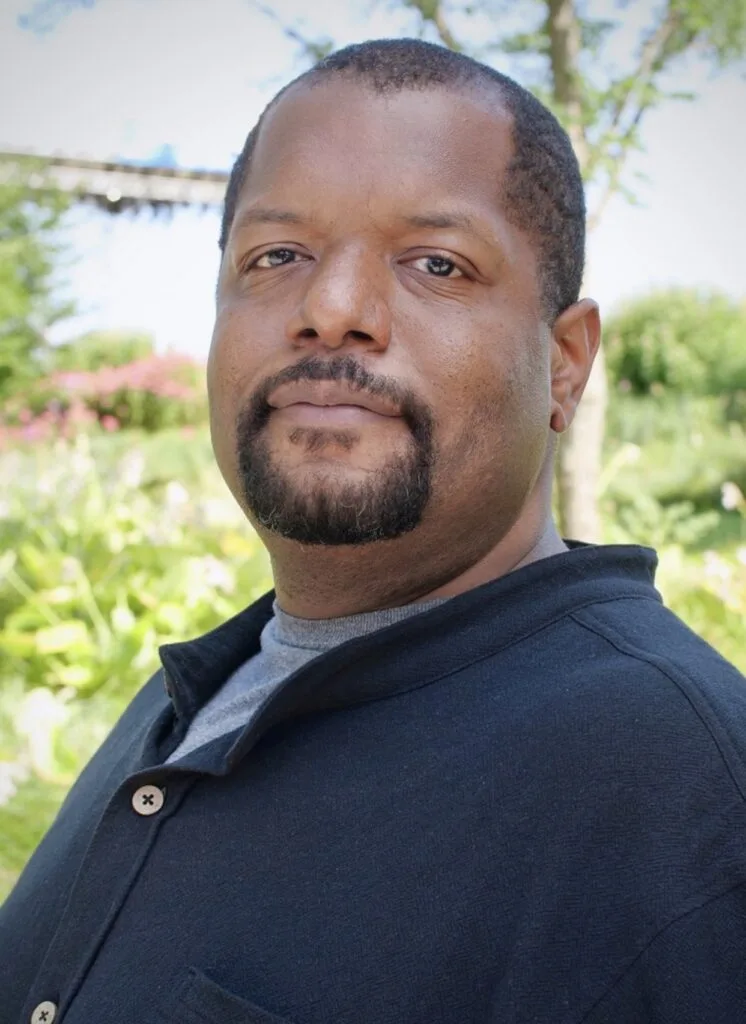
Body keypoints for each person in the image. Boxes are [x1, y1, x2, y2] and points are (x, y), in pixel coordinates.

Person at [2, 37, 746, 1024]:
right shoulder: (206, 692)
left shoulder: (677, 803)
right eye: (277, 256)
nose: (331, 308)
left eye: (436, 263)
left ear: (564, 364)